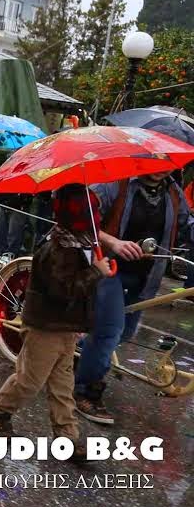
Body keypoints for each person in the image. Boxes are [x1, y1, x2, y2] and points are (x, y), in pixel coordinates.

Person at [0, 184, 112, 459]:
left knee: (63, 384)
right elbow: (63, 290)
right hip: (46, 327)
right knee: (29, 380)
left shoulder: (80, 243)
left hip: (65, 328)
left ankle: (67, 436)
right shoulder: (57, 248)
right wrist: (95, 273)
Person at [74, 172, 194, 425]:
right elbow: (83, 220)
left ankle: (79, 355)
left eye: (166, 159)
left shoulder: (172, 191)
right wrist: (113, 242)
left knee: (123, 334)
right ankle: (85, 392)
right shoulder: (114, 182)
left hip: (145, 275)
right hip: (107, 267)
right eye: (155, 156)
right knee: (109, 330)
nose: (161, 164)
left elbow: (187, 226)